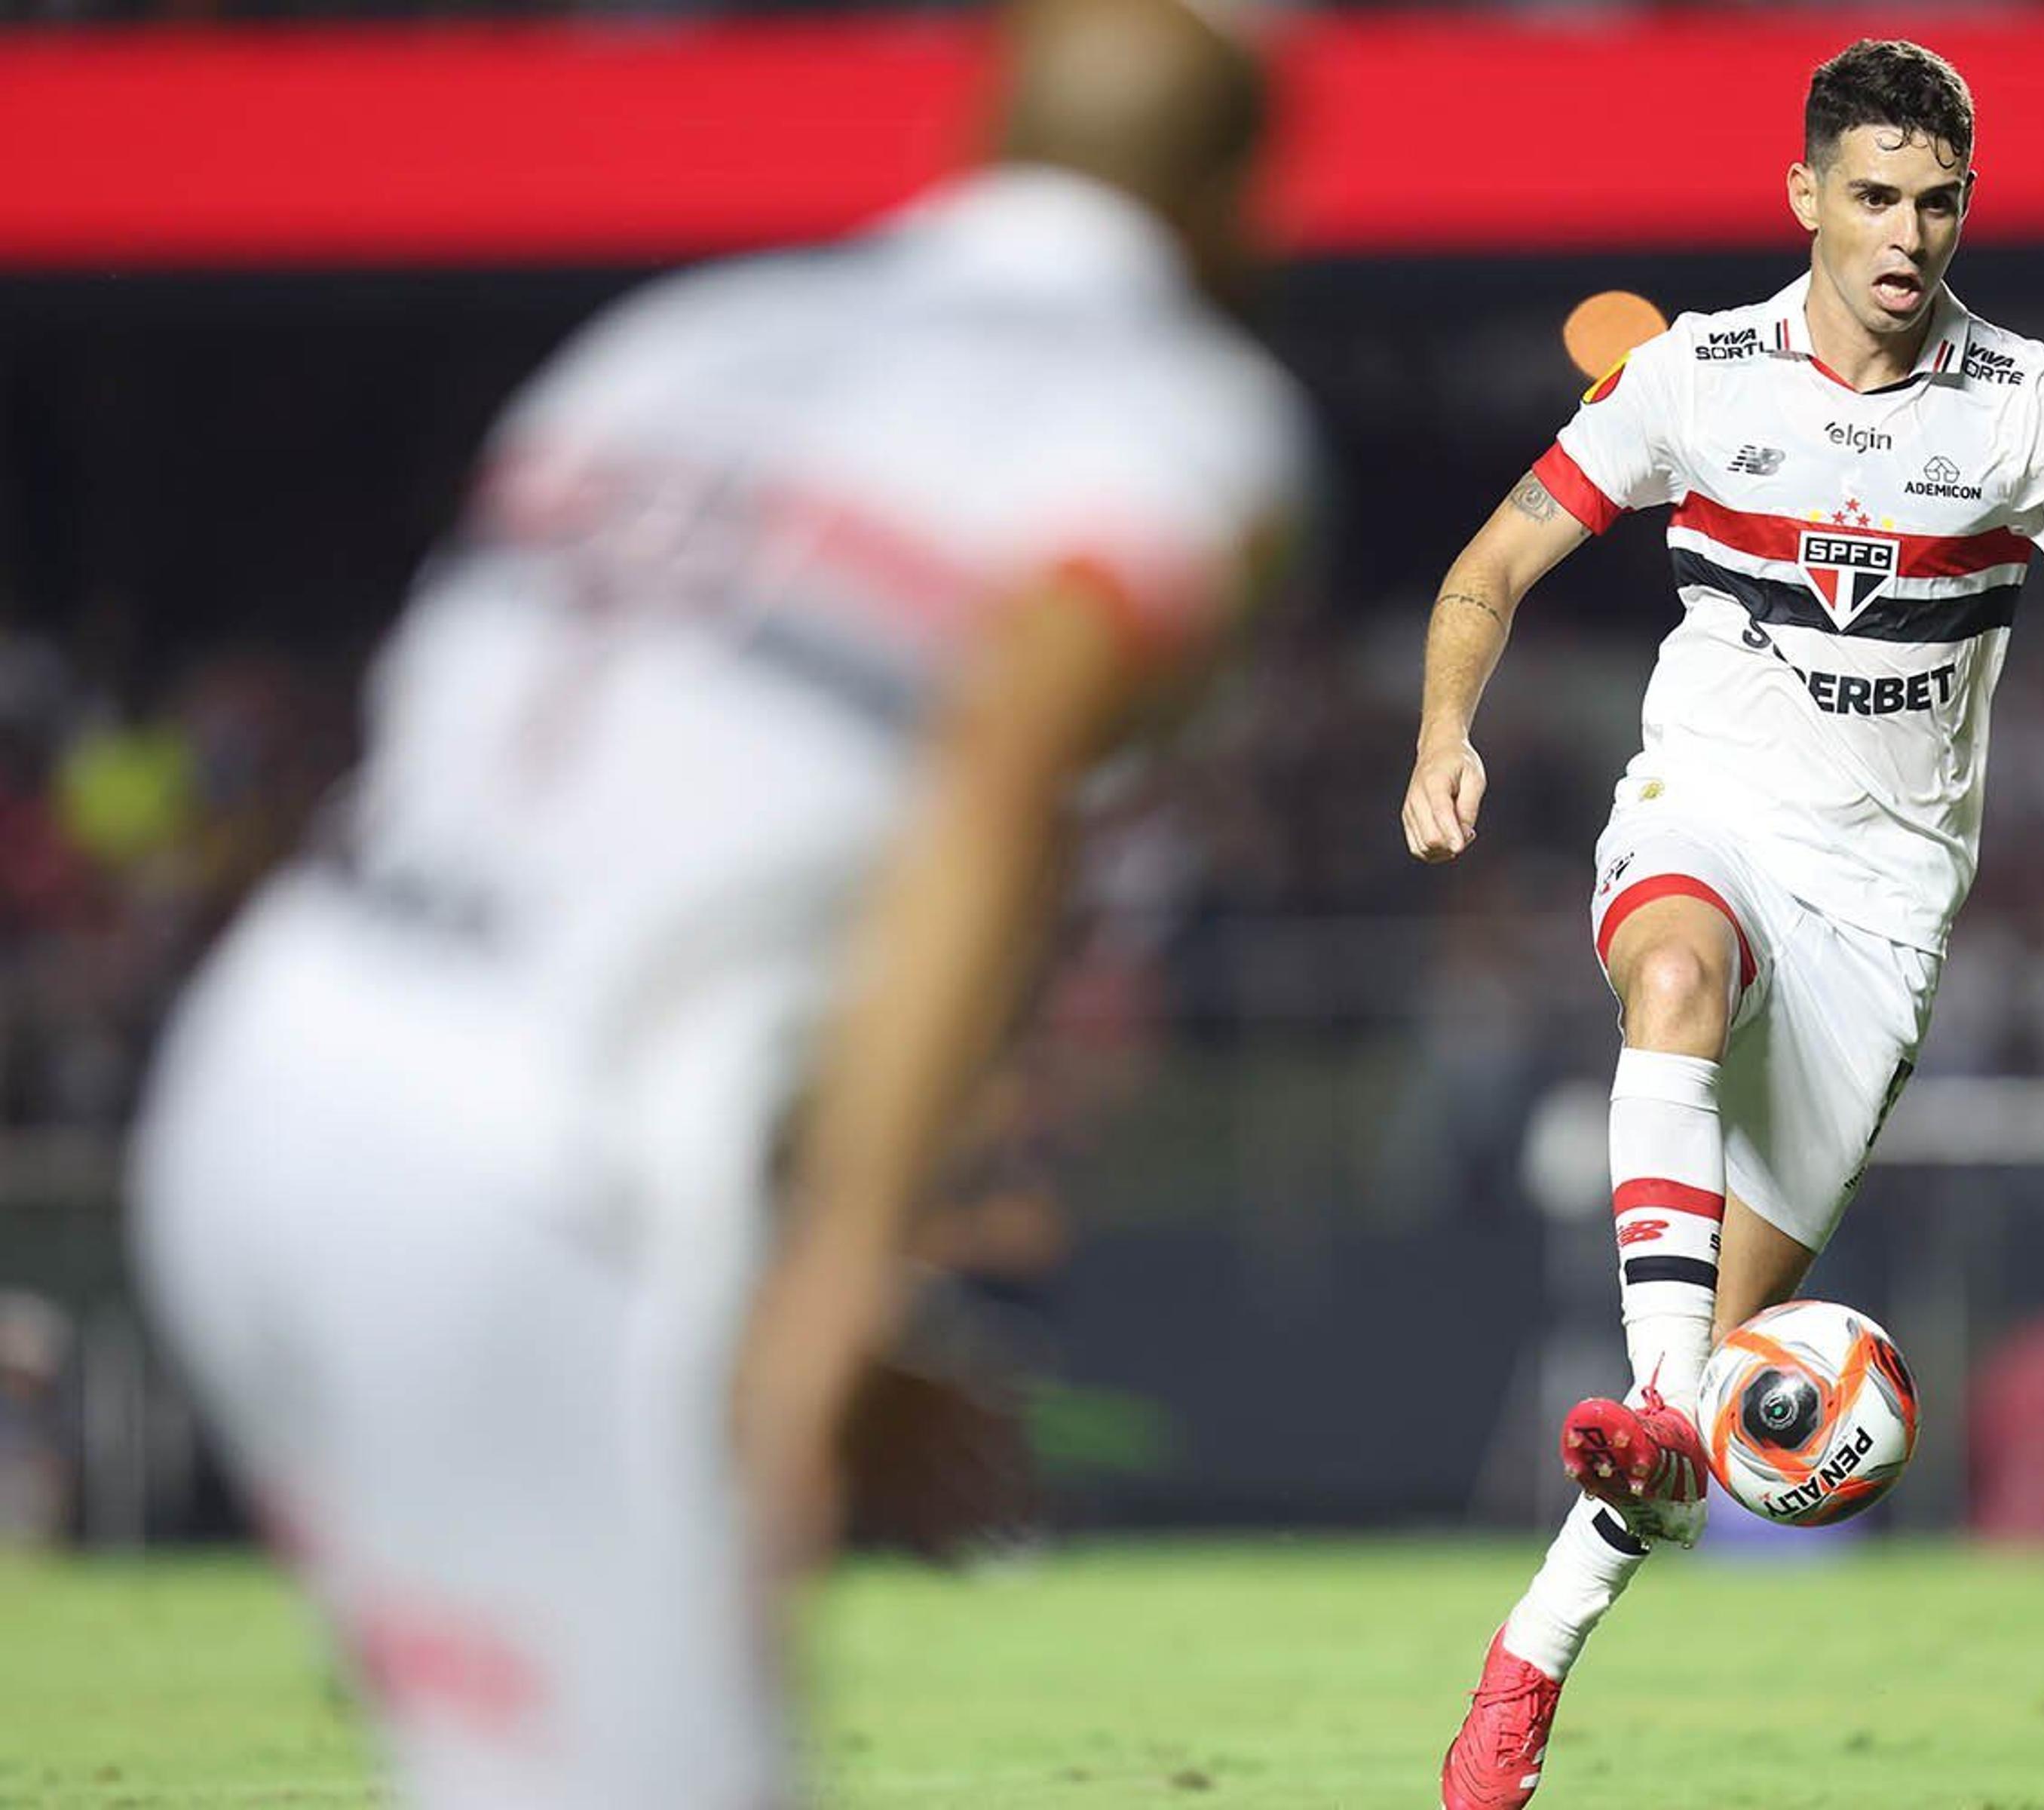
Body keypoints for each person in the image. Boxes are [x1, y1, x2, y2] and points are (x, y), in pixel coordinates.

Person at [126, 2, 1307, 1802]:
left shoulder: (678, 332)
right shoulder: (1184, 415)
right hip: (520, 1181)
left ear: (983, 129)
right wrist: (841, 1274)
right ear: (1243, 197)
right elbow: (1004, 767)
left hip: (261, 1077)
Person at [1402, 39, 2044, 1809]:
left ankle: (1533, 1652)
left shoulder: (2024, 405)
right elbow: (1488, 568)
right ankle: (1659, 1410)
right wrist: (1445, 729)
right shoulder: (1696, 377)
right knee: (1667, 974)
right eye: (1877, 195)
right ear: (1806, 195)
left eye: (1940, 199)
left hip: (1884, 915)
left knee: (1709, 1406)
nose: (1910, 232)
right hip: (1710, 819)